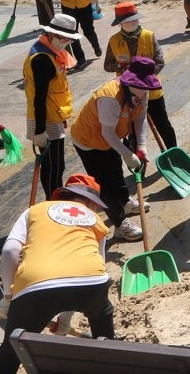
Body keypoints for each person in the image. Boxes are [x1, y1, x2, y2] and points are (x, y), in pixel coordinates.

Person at [0, 174, 114, 374]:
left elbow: (9, 251)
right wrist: (65, 319)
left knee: (11, 348)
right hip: (93, 283)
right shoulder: (95, 219)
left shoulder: (34, 211)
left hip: (36, 286)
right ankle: (110, 352)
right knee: (102, 311)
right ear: (90, 202)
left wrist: (8, 297)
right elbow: (88, 271)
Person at [70, 57, 160, 242]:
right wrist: (128, 154)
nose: (145, 91)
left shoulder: (143, 92)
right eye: (141, 86)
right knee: (105, 184)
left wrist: (141, 146)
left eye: (146, 86)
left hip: (112, 137)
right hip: (89, 140)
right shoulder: (110, 97)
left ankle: (125, 203)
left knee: (117, 172)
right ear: (130, 81)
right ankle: (119, 224)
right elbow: (107, 134)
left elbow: (140, 118)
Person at [104, 1, 177, 150]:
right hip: (127, 93)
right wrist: (122, 68)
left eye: (134, 19)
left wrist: (143, 79)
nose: (131, 23)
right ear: (120, 24)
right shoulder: (114, 41)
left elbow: (160, 62)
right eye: (127, 21)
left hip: (152, 91)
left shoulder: (149, 36)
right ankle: (138, 161)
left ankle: (173, 152)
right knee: (132, 130)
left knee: (163, 124)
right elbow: (107, 65)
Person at [24, 14, 80, 200]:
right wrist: (39, 130)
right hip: (45, 119)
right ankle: (53, 199)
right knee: (52, 167)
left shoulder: (51, 52)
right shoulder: (42, 59)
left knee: (57, 165)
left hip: (54, 114)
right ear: (52, 35)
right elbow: (39, 98)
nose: (67, 43)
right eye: (65, 39)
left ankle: (56, 194)